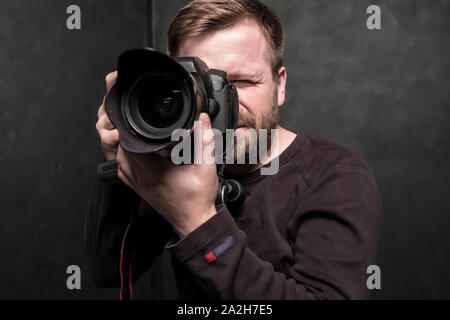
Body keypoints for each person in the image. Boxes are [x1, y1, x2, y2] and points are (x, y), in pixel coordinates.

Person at [85, 0, 382, 300]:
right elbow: (110, 270)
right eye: (204, 84)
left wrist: (198, 221)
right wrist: (126, 158)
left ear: (279, 86)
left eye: (243, 82)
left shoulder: (333, 176)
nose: (225, 102)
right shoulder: (176, 162)